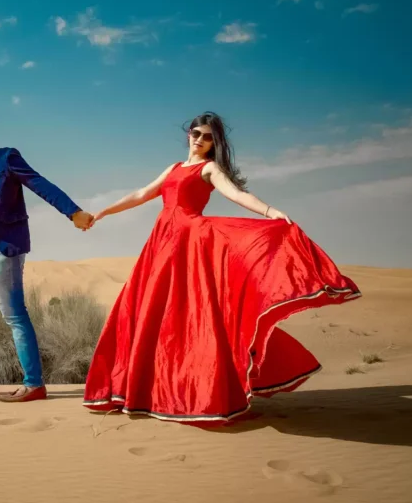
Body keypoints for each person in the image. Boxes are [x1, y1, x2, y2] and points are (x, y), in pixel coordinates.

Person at [81, 111, 361, 425]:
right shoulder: (173, 168)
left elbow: (236, 194)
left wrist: (270, 211)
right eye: (196, 133)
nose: (200, 140)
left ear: (214, 143)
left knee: (193, 315)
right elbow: (142, 194)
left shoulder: (209, 168)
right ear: (188, 134)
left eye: (207, 137)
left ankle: (198, 391)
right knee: (152, 313)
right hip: (161, 245)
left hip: (190, 242)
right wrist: (103, 212)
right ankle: (148, 391)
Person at [0, 110, 94, 403]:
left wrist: (73, 212)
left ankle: (34, 384)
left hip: (2, 249)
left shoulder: (6, 158)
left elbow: (39, 183)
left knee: (14, 315)